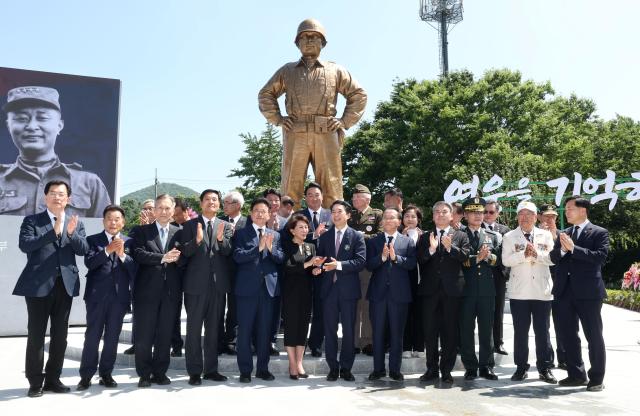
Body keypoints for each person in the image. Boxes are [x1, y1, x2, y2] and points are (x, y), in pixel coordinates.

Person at [258, 18, 367, 208]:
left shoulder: (335, 70)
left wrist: (343, 121)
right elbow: (266, 94)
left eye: (314, 36)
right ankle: (287, 226)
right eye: (304, 37)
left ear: (322, 43)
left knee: (331, 184)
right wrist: (278, 119)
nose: (308, 40)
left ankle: (334, 228)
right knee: (291, 183)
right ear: (297, 43)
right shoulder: (287, 70)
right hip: (295, 131)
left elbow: (358, 94)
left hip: (326, 131)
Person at [13, 180, 89, 397]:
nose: (57, 197)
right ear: (45, 197)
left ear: (68, 199)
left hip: (64, 286)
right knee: (36, 335)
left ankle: (54, 379)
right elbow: (25, 245)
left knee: (60, 336)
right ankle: (35, 382)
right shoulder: (32, 221)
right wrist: (53, 231)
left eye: (62, 194)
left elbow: (83, 250)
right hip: (38, 286)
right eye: (53, 193)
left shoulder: (75, 222)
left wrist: (72, 234)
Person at [0, 86, 111, 216]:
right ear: (8, 126)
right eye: (21, 118)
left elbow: (106, 233)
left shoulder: (89, 184)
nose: (31, 126)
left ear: (59, 125)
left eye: (42, 118)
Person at [550, 196, 609, 392]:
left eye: (569, 208)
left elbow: (599, 257)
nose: (566, 212)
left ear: (582, 210)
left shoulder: (599, 232)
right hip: (564, 291)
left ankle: (597, 378)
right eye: (565, 209)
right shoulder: (564, 233)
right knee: (568, 335)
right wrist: (565, 251)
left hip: (589, 293)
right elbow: (553, 256)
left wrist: (574, 249)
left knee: (593, 335)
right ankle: (576, 374)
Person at [77, 205, 136, 391]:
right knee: (92, 336)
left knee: (112, 337)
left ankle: (106, 374)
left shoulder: (130, 242)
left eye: (117, 219)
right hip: (96, 297)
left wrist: (122, 255)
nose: (113, 222)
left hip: (119, 298)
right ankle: (86, 375)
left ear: (123, 222)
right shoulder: (93, 240)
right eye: (109, 218)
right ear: (103, 221)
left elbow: (135, 270)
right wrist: (107, 250)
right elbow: (90, 263)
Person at [180, 189, 234, 385]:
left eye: (215, 199)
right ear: (201, 203)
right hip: (195, 286)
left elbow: (229, 252)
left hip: (218, 286)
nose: (211, 202)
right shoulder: (189, 225)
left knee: (213, 330)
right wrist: (196, 241)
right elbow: (183, 253)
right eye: (207, 199)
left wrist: (221, 240)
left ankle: (211, 370)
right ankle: (194, 371)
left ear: (219, 204)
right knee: (194, 330)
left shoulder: (225, 226)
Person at [502, 201, 557, 384]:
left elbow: (552, 259)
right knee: (521, 332)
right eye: (521, 214)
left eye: (529, 214)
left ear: (536, 217)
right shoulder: (510, 236)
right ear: (517, 217)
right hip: (520, 292)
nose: (525, 218)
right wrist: (522, 255)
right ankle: (521, 367)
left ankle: (545, 368)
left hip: (542, 291)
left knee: (543, 331)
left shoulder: (546, 235)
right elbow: (506, 260)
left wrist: (536, 255)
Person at [131, 194, 182, 387]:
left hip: (170, 293)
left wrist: (179, 258)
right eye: (160, 207)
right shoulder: (141, 231)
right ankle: (144, 374)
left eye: (167, 208)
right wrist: (163, 257)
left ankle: (160, 372)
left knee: (165, 334)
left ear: (173, 210)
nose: (163, 211)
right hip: (146, 292)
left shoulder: (179, 232)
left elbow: (185, 258)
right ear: (154, 210)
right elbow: (138, 254)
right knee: (144, 335)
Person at [417, 201, 469, 384]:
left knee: (450, 332)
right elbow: (420, 260)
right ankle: (431, 369)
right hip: (430, 292)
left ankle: (446, 371)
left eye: (444, 212)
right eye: (437, 212)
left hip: (452, 291)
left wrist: (450, 248)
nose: (440, 215)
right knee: (430, 332)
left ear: (451, 216)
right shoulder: (424, 237)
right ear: (432, 216)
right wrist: (431, 249)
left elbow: (464, 257)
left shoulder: (461, 235)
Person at [313, 200, 366, 382]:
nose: (335, 215)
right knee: (330, 330)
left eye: (339, 211)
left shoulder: (356, 236)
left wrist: (340, 265)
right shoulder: (325, 237)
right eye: (333, 212)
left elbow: (360, 262)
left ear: (348, 215)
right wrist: (318, 267)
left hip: (348, 291)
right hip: (329, 290)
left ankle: (346, 368)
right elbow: (320, 258)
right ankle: (333, 367)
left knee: (349, 332)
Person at [233, 198, 284, 383]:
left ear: (269, 214)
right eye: (256, 210)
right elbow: (237, 256)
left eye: (264, 211)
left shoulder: (275, 235)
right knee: (245, 331)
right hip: (246, 290)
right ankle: (245, 371)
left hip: (268, 290)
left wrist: (270, 250)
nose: (260, 214)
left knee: (265, 331)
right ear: (251, 213)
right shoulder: (241, 234)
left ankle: (263, 369)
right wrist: (258, 248)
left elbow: (280, 259)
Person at [366, 207, 416, 381]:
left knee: (397, 334)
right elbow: (368, 265)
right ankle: (378, 369)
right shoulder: (374, 241)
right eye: (385, 218)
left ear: (398, 221)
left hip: (399, 295)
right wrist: (381, 258)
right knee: (378, 333)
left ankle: (395, 369)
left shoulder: (407, 242)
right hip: (378, 294)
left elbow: (411, 264)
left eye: (392, 217)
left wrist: (396, 258)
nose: (388, 220)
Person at [459, 197, 500, 381]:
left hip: (486, 291)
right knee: (466, 330)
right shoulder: (459, 235)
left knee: (486, 330)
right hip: (465, 291)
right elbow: (458, 261)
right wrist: (477, 258)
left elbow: (498, 261)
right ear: (466, 215)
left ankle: (487, 366)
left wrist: (488, 257)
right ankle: (470, 367)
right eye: (473, 213)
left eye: (480, 212)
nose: (477, 216)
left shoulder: (492, 236)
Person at [281, 214, 323, 379]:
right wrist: (308, 264)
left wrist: (316, 270)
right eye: (301, 227)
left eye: (306, 227)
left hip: (306, 292)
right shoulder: (286, 245)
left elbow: (309, 272)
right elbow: (288, 267)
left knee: (303, 328)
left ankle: (299, 362)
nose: (305, 230)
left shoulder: (310, 247)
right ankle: (292, 364)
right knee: (291, 328)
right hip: (290, 292)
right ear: (292, 230)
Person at [294, 181, 332, 357]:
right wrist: (314, 234)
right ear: (305, 198)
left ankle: (315, 344)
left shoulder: (331, 215)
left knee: (321, 308)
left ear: (322, 196)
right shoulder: (298, 215)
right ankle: (298, 343)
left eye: (317, 194)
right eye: (310, 195)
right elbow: (292, 237)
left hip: (323, 269)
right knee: (302, 308)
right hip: (302, 268)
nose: (314, 198)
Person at [349, 184, 383, 356]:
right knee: (354, 305)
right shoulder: (350, 215)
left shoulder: (377, 214)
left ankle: (368, 341)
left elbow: (382, 236)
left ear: (367, 198)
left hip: (369, 266)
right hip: (351, 266)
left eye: (357, 197)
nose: (354, 200)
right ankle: (353, 342)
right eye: (353, 197)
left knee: (367, 305)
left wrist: (361, 237)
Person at [122, 198, 156, 356]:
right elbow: (130, 250)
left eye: (150, 208)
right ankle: (137, 343)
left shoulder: (165, 228)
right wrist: (144, 229)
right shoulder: (136, 230)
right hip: (140, 276)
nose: (147, 211)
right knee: (139, 313)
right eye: (144, 208)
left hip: (159, 277)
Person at [538, 203, 566, 370]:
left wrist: (554, 236)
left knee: (562, 322)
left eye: (553, 216)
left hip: (560, 283)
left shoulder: (564, 235)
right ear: (540, 217)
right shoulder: (533, 234)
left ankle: (564, 357)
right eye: (547, 216)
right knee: (543, 325)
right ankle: (547, 360)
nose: (550, 219)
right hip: (540, 283)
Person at [218, 190, 247, 355]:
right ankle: (218, 341)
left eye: (227, 203)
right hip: (221, 272)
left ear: (237, 205)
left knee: (235, 309)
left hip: (241, 273)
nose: (224, 206)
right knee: (218, 309)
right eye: (224, 203)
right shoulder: (219, 221)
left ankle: (232, 341)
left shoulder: (248, 222)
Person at [483, 200, 511, 355]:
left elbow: (508, 253)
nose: (487, 215)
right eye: (485, 212)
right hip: (479, 275)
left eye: (491, 212)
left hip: (498, 276)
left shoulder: (505, 230)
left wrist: (504, 274)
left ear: (497, 213)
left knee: (498, 310)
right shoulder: (476, 227)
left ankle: (498, 342)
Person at [401, 205, 425, 359]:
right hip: (403, 279)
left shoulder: (425, 235)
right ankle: (406, 347)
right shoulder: (396, 235)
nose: (410, 219)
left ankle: (419, 346)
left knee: (420, 313)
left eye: (413, 217)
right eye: (407, 216)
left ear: (418, 219)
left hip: (420, 279)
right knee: (405, 313)